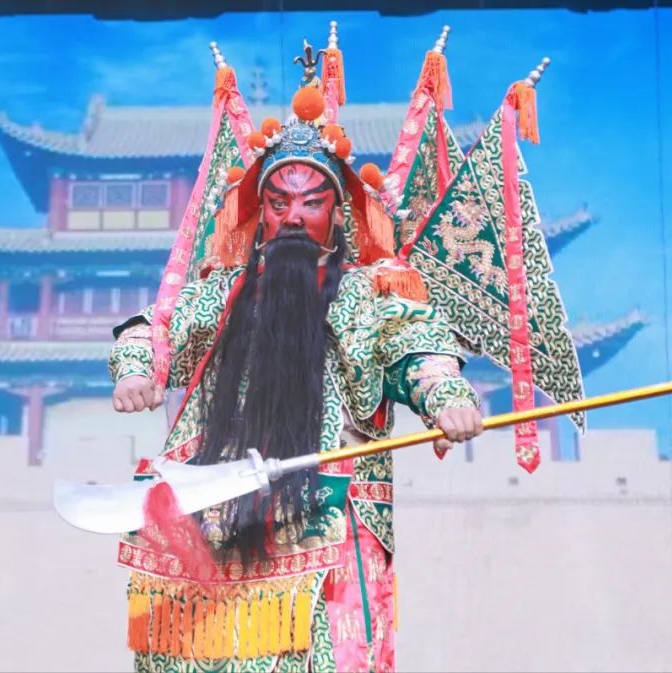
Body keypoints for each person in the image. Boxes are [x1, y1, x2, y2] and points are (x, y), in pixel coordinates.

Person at [107, 60, 483, 673]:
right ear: (261, 212)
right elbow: (154, 329)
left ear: (337, 212)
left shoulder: (372, 292)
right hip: (221, 517)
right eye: (279, 202)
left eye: (311, 202)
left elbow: (418, 348)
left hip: (330, 517)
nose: (293, 216)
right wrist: (134, 370)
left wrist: (449, 399)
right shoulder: (225, 291)